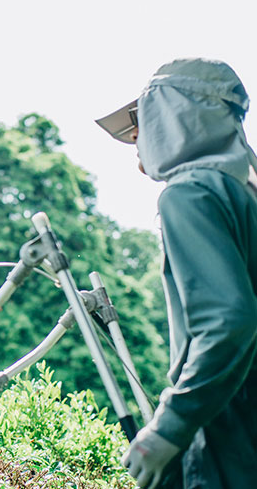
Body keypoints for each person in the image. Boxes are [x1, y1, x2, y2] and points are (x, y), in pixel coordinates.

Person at [96, 58, 257, 488]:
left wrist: (170, 428)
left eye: (141, 116)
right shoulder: (245, 194)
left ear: (177, 115)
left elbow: (228, 324)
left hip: (229, 431)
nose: (135, 135)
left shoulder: (189, 195)